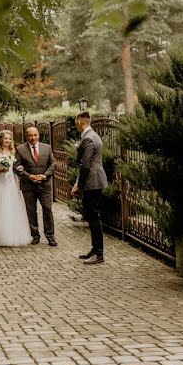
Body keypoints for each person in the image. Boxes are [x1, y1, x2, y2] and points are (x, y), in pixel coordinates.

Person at [71, 111, 108, 264]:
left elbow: (85, 166)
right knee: (92, 216)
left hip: (92, 181)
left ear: (79, 121)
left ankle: (98, 253)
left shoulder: (88, 138)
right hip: (94, 180)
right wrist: (77, 183)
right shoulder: (92, 136)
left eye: (75, 121)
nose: (75, 124)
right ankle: (95, 249)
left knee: (93, 217)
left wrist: (79, 186)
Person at [14, 126, 57, 246]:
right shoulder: (20, 149)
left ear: (38, 135)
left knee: (47, 210)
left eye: (35, 135)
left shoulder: (47, 148)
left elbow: (53, 164)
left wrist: (45, 175)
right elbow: (16, 167)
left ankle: (50, 236)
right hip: (28, 186)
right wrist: (29, 176)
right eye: (30, 135)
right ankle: (35, 236)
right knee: (31, 212)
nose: (33, 138)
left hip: (45, 185)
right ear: (26, 136)